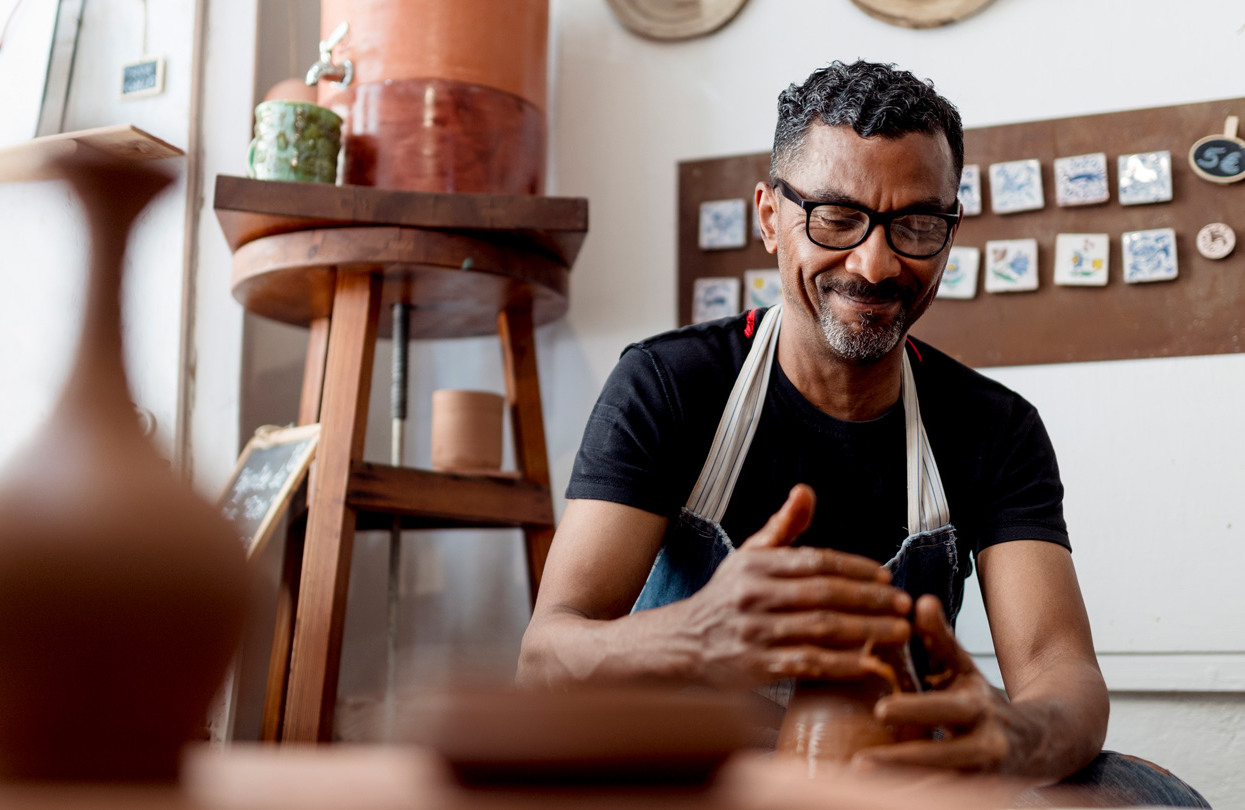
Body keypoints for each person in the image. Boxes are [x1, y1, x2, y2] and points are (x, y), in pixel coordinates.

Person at [516, 61, 1205, 806]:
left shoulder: (993, 429)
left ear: (949, 233)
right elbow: (547, 654)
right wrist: (695, 632)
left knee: (1147, 798)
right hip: (696, 776)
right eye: (837, 218)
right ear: (769, 216)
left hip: (892, 781)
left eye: (914, 226)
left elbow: (1060, 674)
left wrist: (1022, 740)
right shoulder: (668, 386)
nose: (876, 264)